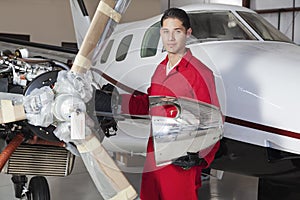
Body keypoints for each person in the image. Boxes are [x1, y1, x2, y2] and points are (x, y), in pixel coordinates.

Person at [121, 7, 220, 200]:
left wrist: (200, 157)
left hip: (181, 160)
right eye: (166, 32)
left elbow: (213, 120)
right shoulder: (160, 68)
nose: (171, 38)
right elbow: (150, 103)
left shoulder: (201, 73)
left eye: (177, 32)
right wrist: (117, 101)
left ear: (188, 33)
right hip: (154, 156)